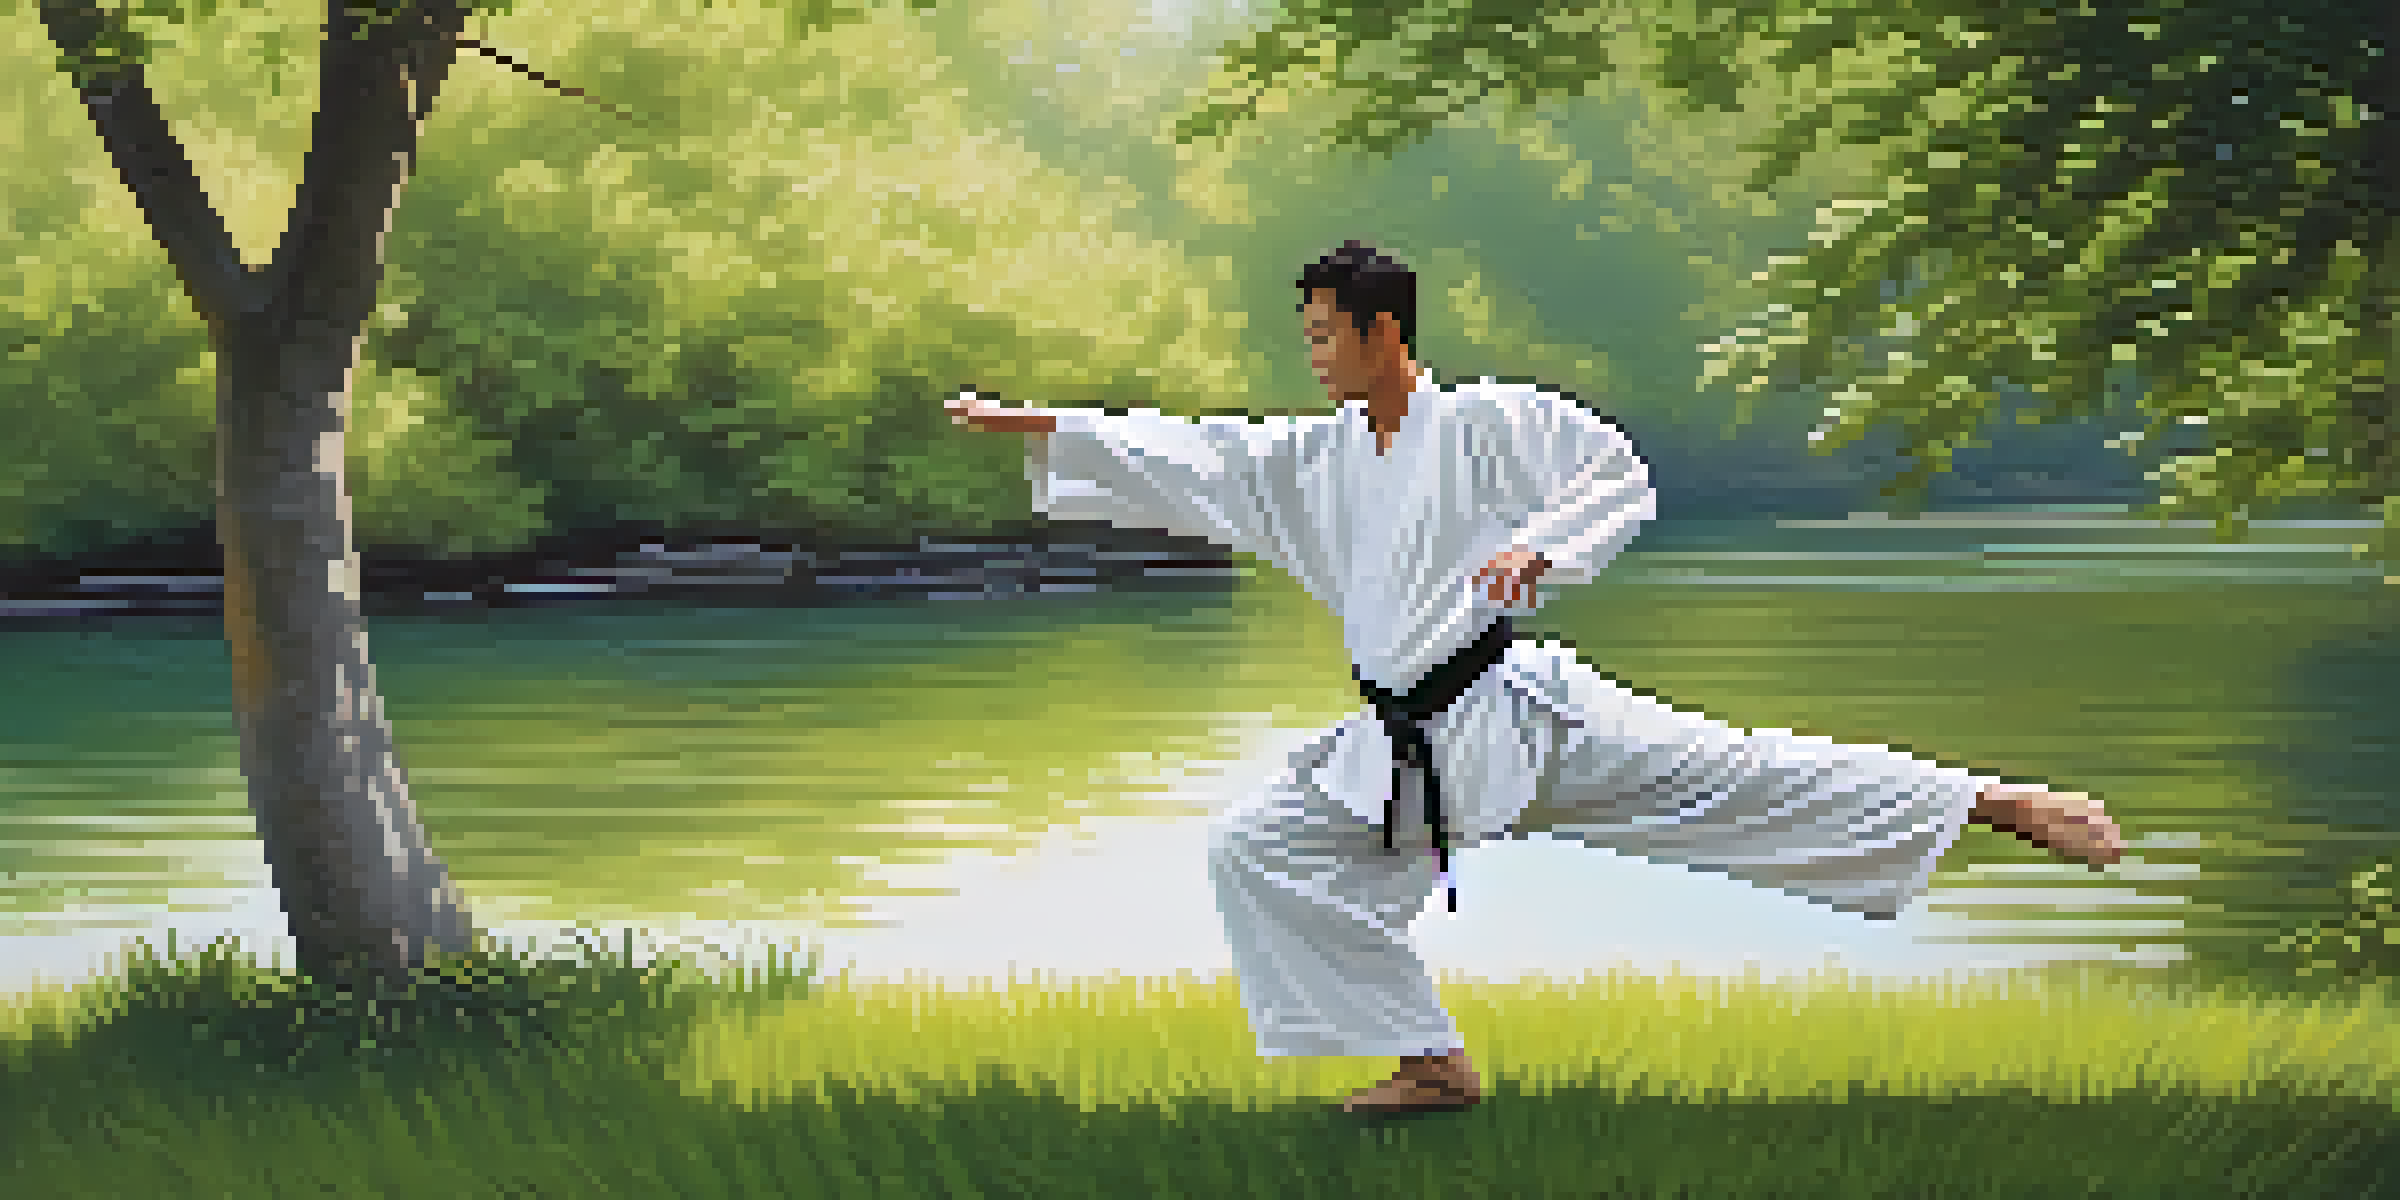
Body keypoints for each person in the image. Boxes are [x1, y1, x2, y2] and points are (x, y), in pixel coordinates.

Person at [945, 239, 2127, 1116]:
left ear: (1380, 330)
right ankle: (1430, 1063)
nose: (1309, 357)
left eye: (1320, 334)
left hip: (1523, 717)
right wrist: (1044, 426)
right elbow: (1200, 454)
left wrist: (1539, 549)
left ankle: (1996, 802)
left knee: (1738, 775)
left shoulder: (1491, 423)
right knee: (1260, 846)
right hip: (1407, 745)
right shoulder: (1322, 455)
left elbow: (1613, 471)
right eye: (1303, 337)